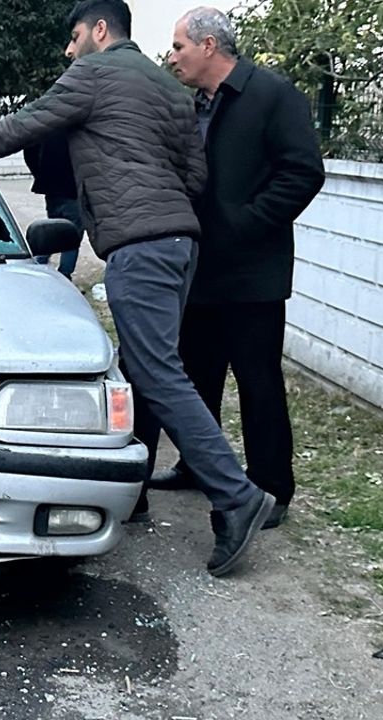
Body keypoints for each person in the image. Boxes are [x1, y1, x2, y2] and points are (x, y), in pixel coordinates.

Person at [0, 0, 275, 577]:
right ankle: (136, 491)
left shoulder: (94, 73)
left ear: (100, 30)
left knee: (158, 374)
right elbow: (195, 175)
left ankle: (237, 496)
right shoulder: (168, 86)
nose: (69, 50)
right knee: (153, 367)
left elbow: (21, 125)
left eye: (74, 37)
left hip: (141, 247)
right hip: (180, 245)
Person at [148, 7, 325, 529]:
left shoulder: (272, 95)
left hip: (253, 274)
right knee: (196, 375)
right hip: (201, 268)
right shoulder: (194, 104)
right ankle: (197, 465)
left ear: (207, 46)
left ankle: (272, 487)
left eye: (179, 46)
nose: (172, 56)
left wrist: (246, 224)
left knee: (257, 381)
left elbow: (303, 172)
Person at [22, 133, 81, 277]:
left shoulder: (48, 127)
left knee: (53, 231)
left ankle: (38, 265)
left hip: (52, 189)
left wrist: (41, 176)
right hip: (72, 190)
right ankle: (64, 275)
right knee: (71, 236)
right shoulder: (76, 129)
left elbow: (29, 152)